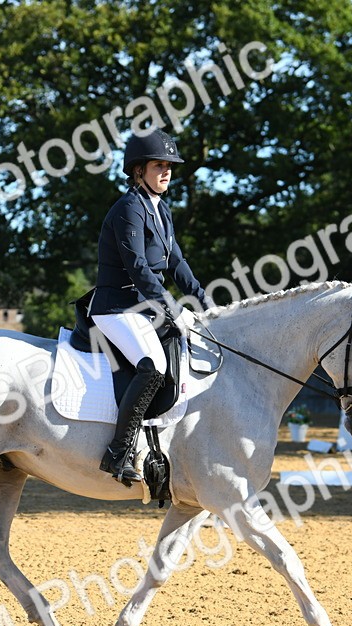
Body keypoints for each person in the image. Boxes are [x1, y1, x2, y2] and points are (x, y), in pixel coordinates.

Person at [90, 128, 209, 485]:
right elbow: (139, 269)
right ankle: (118, 453)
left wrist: (207, 307)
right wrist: (174, 310)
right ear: (138, 170)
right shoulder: (128, 208)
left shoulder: (161, 210)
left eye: (170, 166)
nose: (167, 171)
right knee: (154, 366)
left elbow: (177, 265)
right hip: (115, 308)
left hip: (141, 307)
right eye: (159, 165)